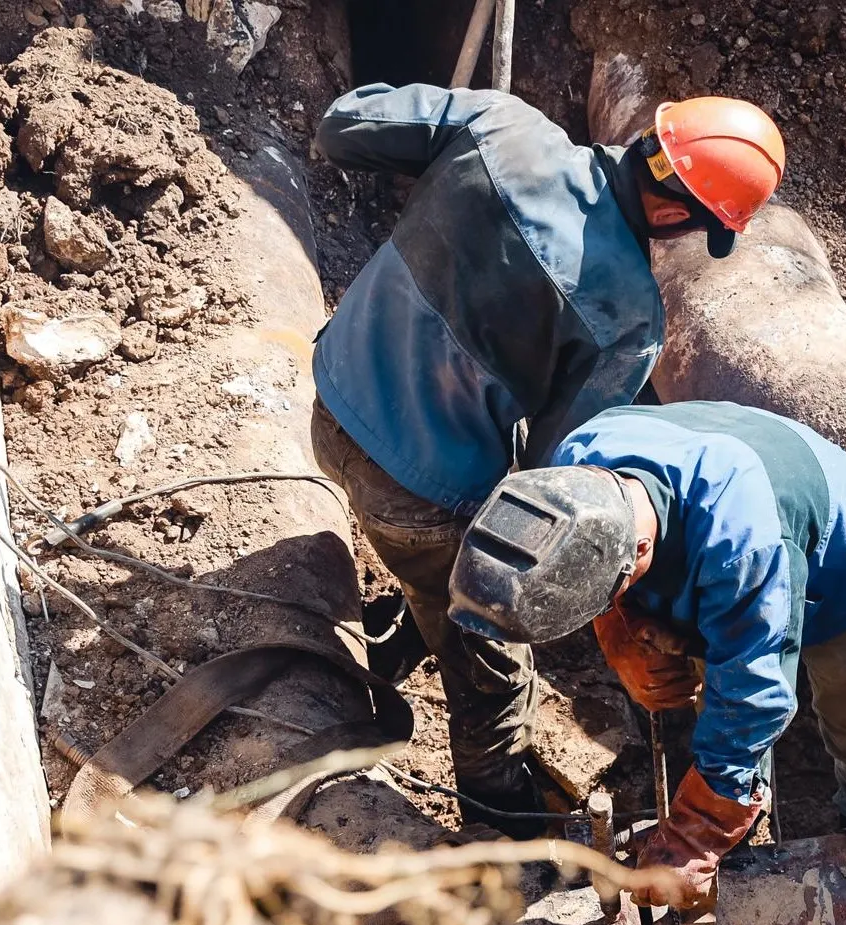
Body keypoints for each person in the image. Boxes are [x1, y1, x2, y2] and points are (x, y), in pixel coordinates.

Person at [306, 82, 785, 836]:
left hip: (334, 395)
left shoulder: (502, 124)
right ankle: (499, 817)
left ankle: (402, 636)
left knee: (431, 576)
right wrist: (615, 620)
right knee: (490, 656)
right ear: (675, 214)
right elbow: (555, 485)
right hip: (418, 494)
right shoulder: (626, 317)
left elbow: (343, 128)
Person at [447, 400, 846, 911]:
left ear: (640, 551)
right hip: (725, 543)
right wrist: (620, 633)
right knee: (724, 716)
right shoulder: (575, 472)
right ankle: (745, 822)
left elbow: (753, 700)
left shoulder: (743, 548)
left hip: (838, 568)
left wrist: (693, 838)